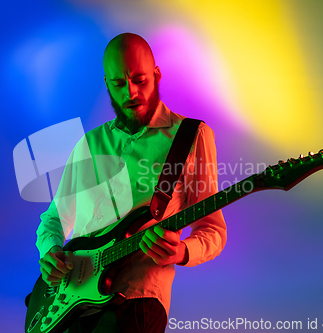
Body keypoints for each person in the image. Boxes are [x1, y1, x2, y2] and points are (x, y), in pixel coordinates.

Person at [35, 32, 227, 333]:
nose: (131, 92)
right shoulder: (90, 143)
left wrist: (182, 251)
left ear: (157, 74)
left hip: (138, 298)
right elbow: (55, 218)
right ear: (107, 83)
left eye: (140, 80)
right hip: (71, 300)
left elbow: (212, 229)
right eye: (119, 84)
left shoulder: (191, 137)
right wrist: (50, 250)